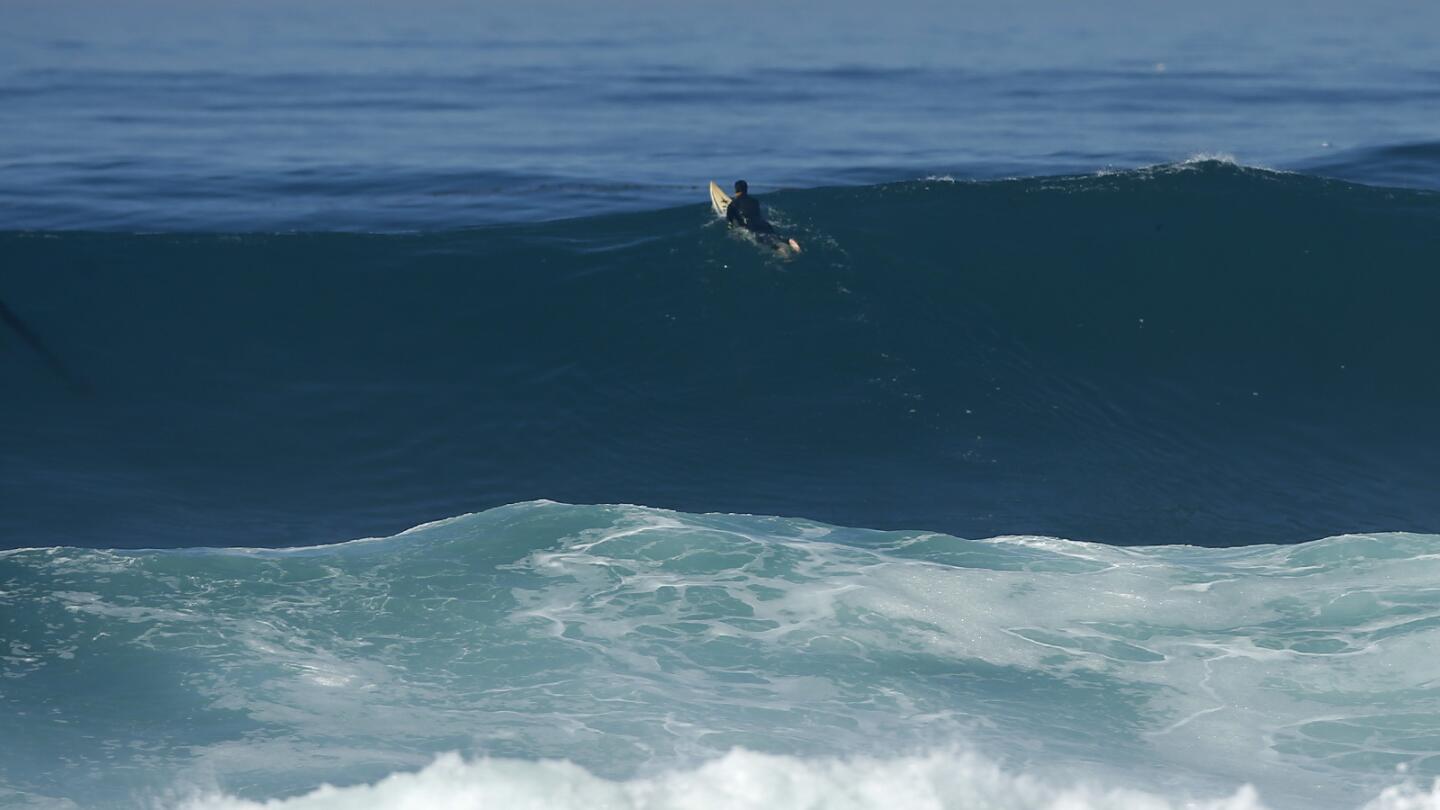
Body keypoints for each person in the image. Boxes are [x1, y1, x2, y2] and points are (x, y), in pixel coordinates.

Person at [725, 180, 801, 252]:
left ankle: (781, 251)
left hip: (753, 227)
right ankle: (789, 241)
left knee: (766, 242)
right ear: (746, 189)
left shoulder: (733, 204)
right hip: (764, 223)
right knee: (777, 236)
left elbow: (730, 219)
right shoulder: (755, 201)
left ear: (736, 190)